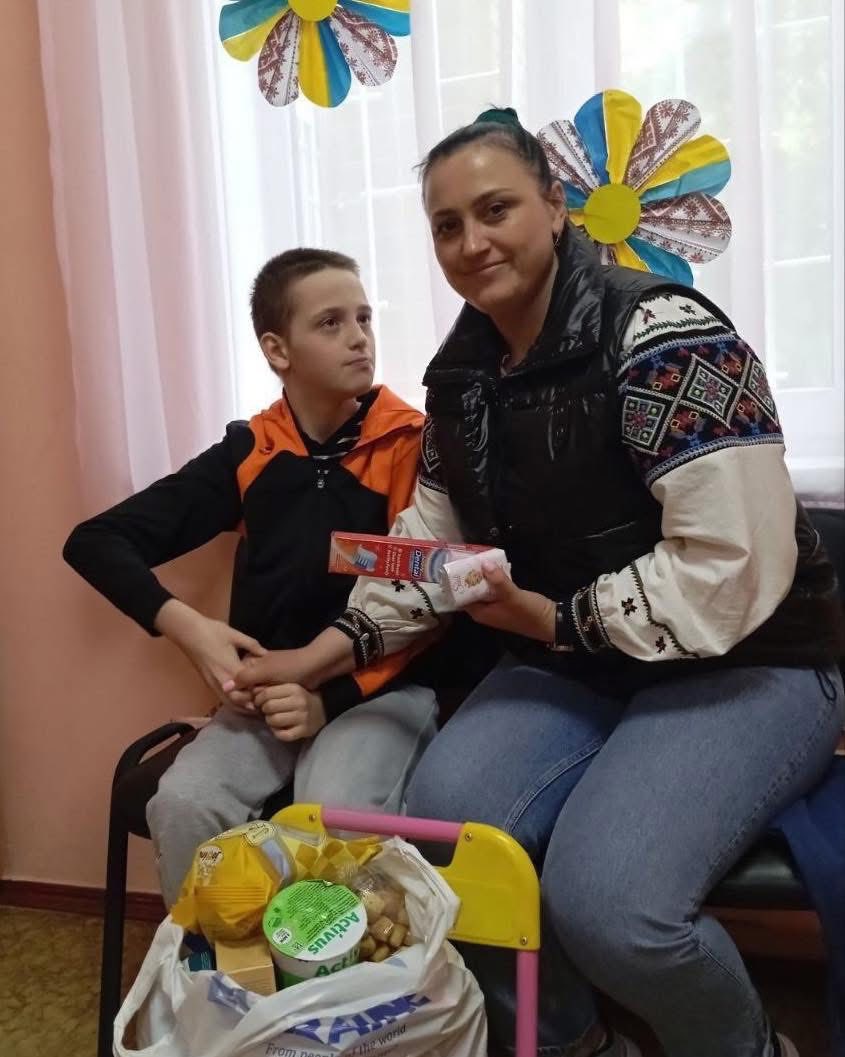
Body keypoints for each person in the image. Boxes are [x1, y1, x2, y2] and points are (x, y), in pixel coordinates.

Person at [232, 114, 845, 1056]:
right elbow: (428, 546)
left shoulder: (666, 335)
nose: (471, 242)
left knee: (610, 906)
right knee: (446, 854)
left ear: (555, 208)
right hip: (573, 661)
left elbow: (730, 567)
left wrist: (552, 620)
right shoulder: (458, 378)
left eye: (496, 210)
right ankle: (568, 1038)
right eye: (446, 225)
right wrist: (311, 660)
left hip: (749, 660)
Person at [63, 248, 439, 907]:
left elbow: (431, 603)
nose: (359, 337)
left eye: (363, 318)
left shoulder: (413, 445)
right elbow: (94, 542)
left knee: (331, 814)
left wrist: (329, 699)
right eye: (330, 323)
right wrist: (192, 631)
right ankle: (215, 965)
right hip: (266, 700)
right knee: (183, 801)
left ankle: (333, 973)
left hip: (378, 693)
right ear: (277, 349)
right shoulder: (251, 451)